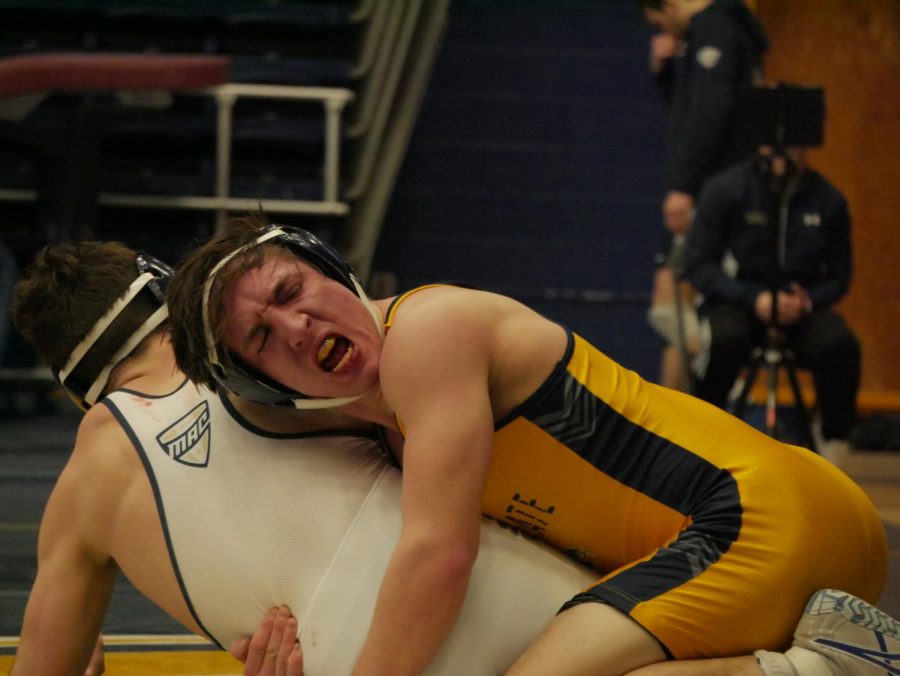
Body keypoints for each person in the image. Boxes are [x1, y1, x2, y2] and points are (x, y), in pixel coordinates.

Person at [166, 215, 894, 676]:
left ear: (327, 268)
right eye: (263, 335)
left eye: (292, 291)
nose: (295, 325)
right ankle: (820, 668)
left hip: (754, 519)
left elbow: (438, 556)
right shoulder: (374, 418)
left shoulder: (425, 335)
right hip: (768, 545)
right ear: (258, 383)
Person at [8, 239, 604, 676]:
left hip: (343, 658)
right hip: (509, 613)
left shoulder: (78, 501)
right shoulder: (269, 377)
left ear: (74, 389)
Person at [682, 147, 861, 460]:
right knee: (723, 338)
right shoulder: (726, 189)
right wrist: (754, 299)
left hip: (799, 308)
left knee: (840, 345)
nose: (784, 150)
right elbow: (699, 264)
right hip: (739, 300)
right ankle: (702, 440)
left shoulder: (829, 199)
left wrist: (806, 302)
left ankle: (834, 442)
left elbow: (839, 277)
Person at [638, 0, 768, 391]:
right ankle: (678, 427)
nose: (667, 34)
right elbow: (693, 110)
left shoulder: (716, 27)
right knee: (674, 320)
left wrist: (685, 187)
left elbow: (711, 113)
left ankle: (715, 370)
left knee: (673, 308)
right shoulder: (714, 34)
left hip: (710, 194)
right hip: (712, 188)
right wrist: (666, 74)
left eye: (661, 23)